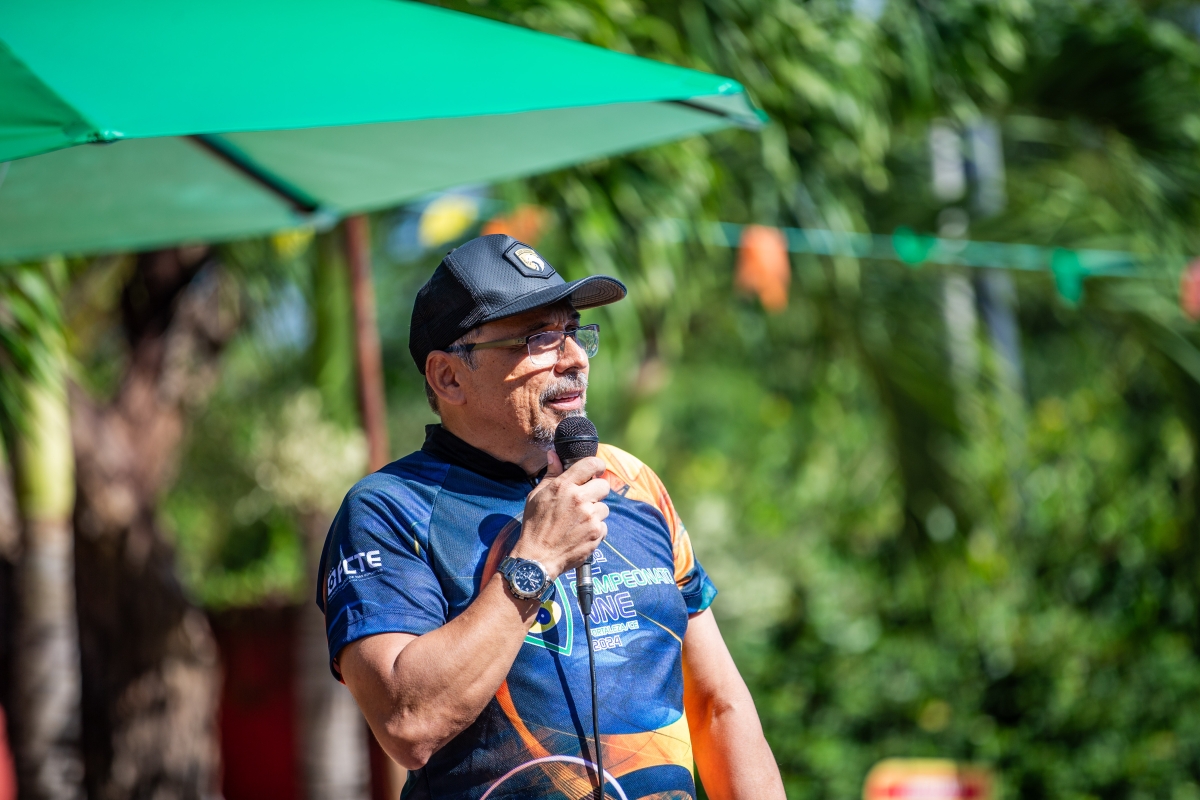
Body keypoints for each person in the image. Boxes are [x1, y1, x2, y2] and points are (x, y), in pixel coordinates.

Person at [317, 234, 785, 800]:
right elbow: (407, 724)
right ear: (448, 377)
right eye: (538, 338)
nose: (574, 358)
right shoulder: (388, 508)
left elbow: (717, 704)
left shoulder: (630, 480)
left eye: (573, 332)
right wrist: (536, 559)